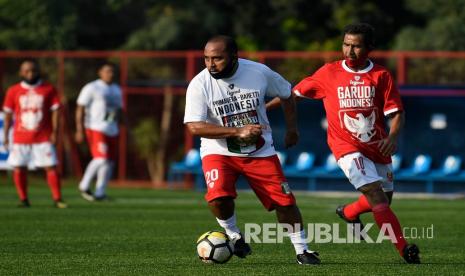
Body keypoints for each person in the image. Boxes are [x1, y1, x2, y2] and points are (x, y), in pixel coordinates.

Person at [267, 23, 420, 264]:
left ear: (369, 48)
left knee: (383, 200)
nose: (349, 50)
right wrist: (262, 110)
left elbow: (396, 112)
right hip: (346, 148)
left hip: (377, 147)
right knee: (376, 196)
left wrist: (392, 137)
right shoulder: (328, 72)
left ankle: (348, 213)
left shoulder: (381, 75)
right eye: (346, 44)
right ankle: (405, 249)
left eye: (356, 46)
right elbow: (291, 94)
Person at [184, 35, 320, 265]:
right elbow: (194, 126)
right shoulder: (199, 83)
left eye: (217, 58)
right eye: (206, 58)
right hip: (218, 151)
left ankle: (303, 250)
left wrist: (292, 130)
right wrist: (237, 132)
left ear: (234, 56)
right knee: (218, 198)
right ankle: (235, 235)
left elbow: (287, 94)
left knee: (285, 202)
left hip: (259, 151)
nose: (210, 64)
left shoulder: (259, 72)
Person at [2, 59, 67, 208]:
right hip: (20, 137)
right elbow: (8, 115)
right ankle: (23, 199)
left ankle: (57, 199)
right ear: (21, 72)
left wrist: (55, 132)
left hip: (43, 136)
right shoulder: (13, 90)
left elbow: (55, 111)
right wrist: (6, 135)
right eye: (26, 71)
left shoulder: (48, 89)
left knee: (50, 166)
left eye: (33, 70)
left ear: (38, 71)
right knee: (19, 167)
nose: (30, 74)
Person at [75, 62, 123, 201]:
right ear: (100, 73)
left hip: (112, 128)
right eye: (107, 71)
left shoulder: (116, 89)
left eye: (112, 71)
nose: (110, 74)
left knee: (109, 162)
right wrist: (79, 129)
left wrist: (124, 127)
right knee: (101, 158)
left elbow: (119, 110)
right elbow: (80, 108)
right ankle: (84, 185)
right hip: (95, 127)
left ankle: (100, 192)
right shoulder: (92, 87)